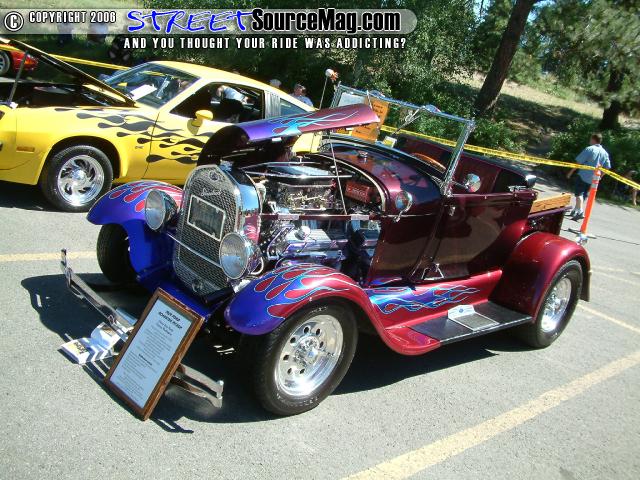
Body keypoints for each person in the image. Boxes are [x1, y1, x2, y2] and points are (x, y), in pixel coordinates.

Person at [566, 133, 611, 220]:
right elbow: (607, 167)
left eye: (591, 139)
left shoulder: (590, 149)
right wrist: (600, 177)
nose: (590, 141)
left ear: (593, 139)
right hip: (593, 178)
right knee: (584, 195)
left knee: (579, 193)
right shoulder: (605, 153)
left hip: (583, 175)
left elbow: (579, 162)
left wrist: (571, 172)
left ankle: (580, 211)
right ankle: (575, 210)